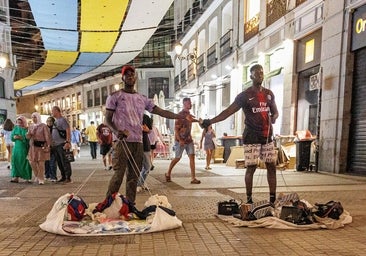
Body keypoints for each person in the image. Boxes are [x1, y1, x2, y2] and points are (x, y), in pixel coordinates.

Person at [104, 65, 194, 204]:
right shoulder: (115, 97)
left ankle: (130, 205)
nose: (130, 76)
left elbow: (160, 111)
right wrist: (117, 131)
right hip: (122, 142)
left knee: (133, 177)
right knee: (118, 175)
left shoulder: (142, 98)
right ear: (123, 77)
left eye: (132, 74)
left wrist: (179, 117)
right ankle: (108, 204)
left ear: (135, 77)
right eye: (127, 74)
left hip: (138, 142)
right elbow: (107, 119)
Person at [200, 64, 279, 204]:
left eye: (261, 72)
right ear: (251, 77)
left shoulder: (269, 94)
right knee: (251, 167)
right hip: (251, 136)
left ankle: (272, 199)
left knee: (271, 166)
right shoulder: (245, 96)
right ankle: (249, 199)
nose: (260, 75)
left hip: (267, 137)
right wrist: (209, 121)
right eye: (257, 73)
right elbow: (228, 112)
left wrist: (274, 117)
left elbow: (275, 111)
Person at [165, 97, 201, 184]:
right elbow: (176, 129)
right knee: (177, 157)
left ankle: (193, 178)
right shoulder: (179, 115)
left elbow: (191, 120)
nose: (191, 104)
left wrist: (199, 121)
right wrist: (180, 140)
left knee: (192, 157)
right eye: (189, 103)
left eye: (190, 103)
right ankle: (168, 172)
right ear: (184, 104)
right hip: (180, 140)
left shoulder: (189, 114)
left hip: (189, 139)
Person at [26, 112, 51, 185]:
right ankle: (37, 175)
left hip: (41, 146)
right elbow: (27, 137)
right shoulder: (31, 126)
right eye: (32, 117)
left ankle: (41, 178)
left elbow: (47, 136)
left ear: (38, 117)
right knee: (32, 162)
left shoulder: (43, 126)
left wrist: (48, 145)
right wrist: (30, 133)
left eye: (35, 117)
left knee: (41, 163)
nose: (33, 119)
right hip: (33, 147)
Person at [51, 106, 73, 183]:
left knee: (65, 161)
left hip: (62, 144)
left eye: (53, 111)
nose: (52, 112)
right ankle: (63, 176)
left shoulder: (63, 120)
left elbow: (68, 131)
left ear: (57, 111)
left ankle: (68, 177)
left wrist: (67, 142)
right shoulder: (55, 121)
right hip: (56, 145)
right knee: (59, 162)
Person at [10, 116, 32, 183]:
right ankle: (16, 177)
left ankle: (27, 177)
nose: (19, 124)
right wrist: (14, 137)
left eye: (21, 122)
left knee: (25, 162)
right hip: (16, 148)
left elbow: (28, 139)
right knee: (15, 161)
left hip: (24, 148)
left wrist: (21, 138)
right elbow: (12, 138)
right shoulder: (16, 128)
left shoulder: (27, 129)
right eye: (18, 122)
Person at [137, 114, 153, 192]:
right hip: (134, 144)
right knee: (137, 166)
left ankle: (140, 183)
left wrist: (147, 129)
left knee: (147, 166)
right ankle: (139, 183)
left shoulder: (146, 117)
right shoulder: (130, 115)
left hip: (145, 144)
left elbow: (150, 130)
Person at [44, 116, 57, 182]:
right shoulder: (44, 129)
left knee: (52, 163)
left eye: (50, 121)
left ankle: (53, 176)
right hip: (46, 148)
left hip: (53, 148)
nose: (49, 122)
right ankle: (47, 175)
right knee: (46, 163)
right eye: (48, 121)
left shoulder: (55, 129)